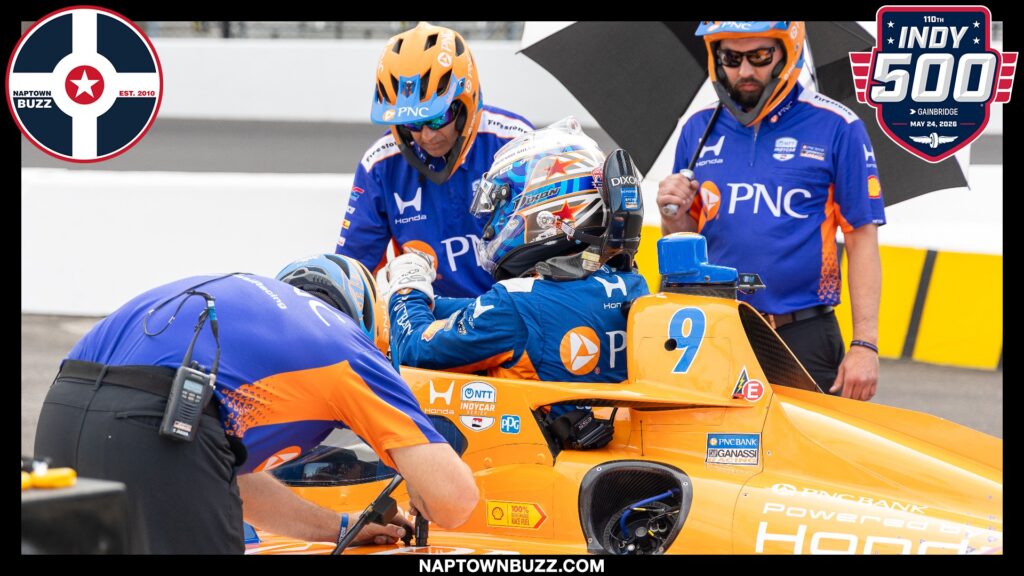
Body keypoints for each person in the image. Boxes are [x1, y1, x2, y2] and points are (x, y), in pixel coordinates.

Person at [33, 254, 478, 554]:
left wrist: (341, 528)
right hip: (160, 426)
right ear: (364, 316)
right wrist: (421, 483)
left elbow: (222, 479)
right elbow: (455, 501)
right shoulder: (346, 346)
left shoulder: (251, 310)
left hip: (64, 410)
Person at [378, 118, 649, 450]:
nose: (492, 224)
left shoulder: (516, 305)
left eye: (502, 207)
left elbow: (413, 350)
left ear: (543, 205)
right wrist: (426, 301)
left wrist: (407, 289)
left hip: (524, 478)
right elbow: (497, 314)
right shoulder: (632, 283)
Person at [657, 21, 885, 401]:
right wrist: (672, 216)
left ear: (787, 51)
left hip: (802, 336)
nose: (745, 71)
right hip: (714, 330)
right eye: (731, 57)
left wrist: (865, 344)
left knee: (806, 459)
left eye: (759, 56)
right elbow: (685, 241)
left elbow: (862, 238)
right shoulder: (697, 129)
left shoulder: (838, 126)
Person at [336, 22, 534, 299]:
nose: (427, 136)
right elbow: (353, 275)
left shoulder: (517, 143)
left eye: (438, 118)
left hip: (514, 315)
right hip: (432, 326)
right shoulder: (379, 165)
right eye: (412, 124)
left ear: (465, 101)